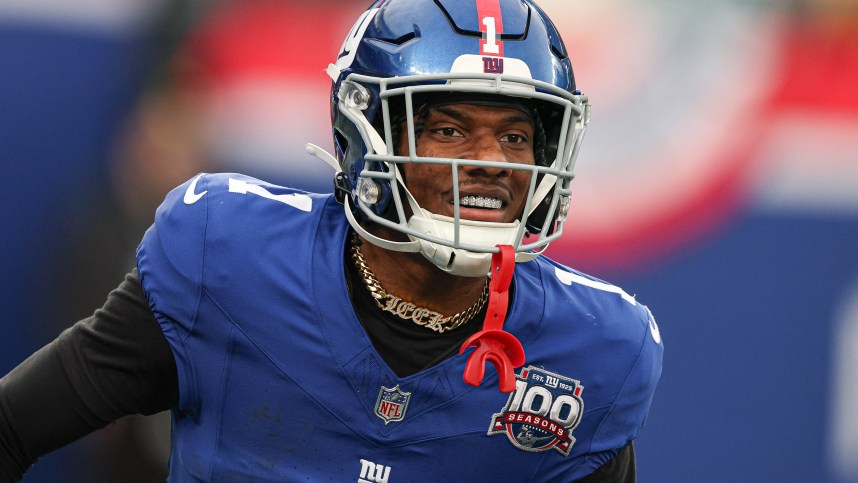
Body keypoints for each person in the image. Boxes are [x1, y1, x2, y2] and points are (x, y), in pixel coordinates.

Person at [0, 0, 663, 481]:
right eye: (449, 129)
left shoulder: (594, 352)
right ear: (367, 137)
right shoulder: (226, 257)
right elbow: (14, 425)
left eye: (516, 136)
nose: (490, 160)